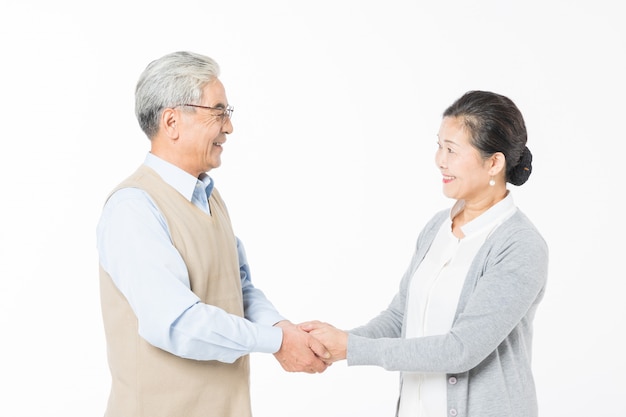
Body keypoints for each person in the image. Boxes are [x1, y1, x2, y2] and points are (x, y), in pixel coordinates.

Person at [96, 51, 329, 417]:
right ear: (172, 121)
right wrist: (278, 341)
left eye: (228, 113)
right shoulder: (134, 208)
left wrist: (280, 326)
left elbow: (240, 288)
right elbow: (177, 323)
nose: (229, 127)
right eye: (218, 112)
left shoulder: (209, 196)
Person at [300, 90, 548, 417]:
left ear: (493, 163)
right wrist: (335, 342)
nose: (439, 160)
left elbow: (461, 350)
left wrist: (351, 348)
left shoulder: (518, 245)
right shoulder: (437, 227)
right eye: (439, 146)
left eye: (452, 150)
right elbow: (400, 317)